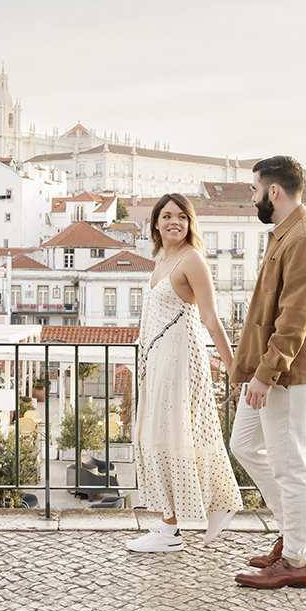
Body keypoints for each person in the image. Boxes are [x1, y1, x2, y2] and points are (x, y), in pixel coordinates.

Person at [229, 155, 306, 589]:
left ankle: (294, 561)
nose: (253, 199)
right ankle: (296, 534)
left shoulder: (303, 240)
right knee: (244, 444)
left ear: (274, 191)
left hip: (287, 374)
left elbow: (295, 320)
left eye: (255, 190)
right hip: (271, 370)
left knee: (291, 466)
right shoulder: (284, 234)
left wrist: (265, 374)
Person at [126, 192, 242, 553]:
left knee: (174, 434)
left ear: (190, 223)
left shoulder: (192, 260)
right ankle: (179, 519)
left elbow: (210, 318)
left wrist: (234, 369)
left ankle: (174, 527)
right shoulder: (161, 259)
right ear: (156, 223)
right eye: (167, 216)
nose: (174, 222)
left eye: (181, 216)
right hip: (157, 360)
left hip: (180, 360)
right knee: (157, 434)